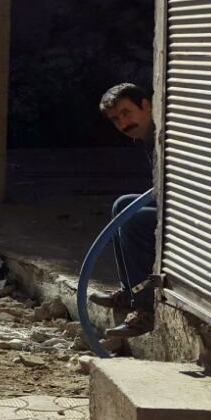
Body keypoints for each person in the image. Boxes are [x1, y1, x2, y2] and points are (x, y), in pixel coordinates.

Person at [93, 83, 158, 342]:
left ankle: (145, 310)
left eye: (126, 112)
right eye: (116, 119)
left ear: (146, 105)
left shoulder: (167, 132)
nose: (123, 123)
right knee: (123, 205)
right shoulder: (147, 138)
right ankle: (129, 290)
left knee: (134, 220)